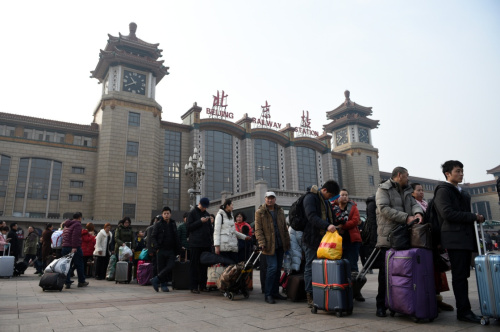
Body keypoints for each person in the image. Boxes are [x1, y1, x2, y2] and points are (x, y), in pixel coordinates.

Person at [434, 160, 485, 324]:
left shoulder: (461, 191)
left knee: (463, 275)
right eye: (457, 171)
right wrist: (472, 217)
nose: (461, 174)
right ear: (448, 174)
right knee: (459, 276)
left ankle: (466, 309)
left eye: (462, 171)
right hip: (454, 239)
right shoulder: (443, 191)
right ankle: (464, 311)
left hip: (465, 238)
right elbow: (447, 213)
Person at [375, 166, 424, 317]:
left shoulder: (408, 190)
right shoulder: (383, 189)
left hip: (406, 236)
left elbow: (414, 203)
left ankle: (402, 303)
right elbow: (383, 208)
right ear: (399, 175)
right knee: (385, 274)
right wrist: (406, 217)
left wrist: (417, 212)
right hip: (389, 237)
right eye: (407, 175)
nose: (408, 178)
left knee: (405, 273)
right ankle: (381, 305)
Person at [411, 182, 454, 312]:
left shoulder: (425, 204)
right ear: (411, 193)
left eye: (422, 190)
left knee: (436, 271)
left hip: (432, 242)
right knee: (425, 272)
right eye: (418, 190)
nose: (421, 192)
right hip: (421, 243)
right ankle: (429, 300)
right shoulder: (413, 206)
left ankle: (437, 299)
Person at [302, 180, 340, 308]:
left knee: (323, 267)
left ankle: (322, 292)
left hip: (323, 239)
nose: (330, 199)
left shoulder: (325, 201)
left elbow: (330, 217)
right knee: (310, 266)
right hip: (311, 238)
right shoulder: (310, 198)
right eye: (330, 196)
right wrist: (327, 225)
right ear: (324, 190)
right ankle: (310, 295)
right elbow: (311, 216)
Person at [255, 191, 291, 304]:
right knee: (272, 268)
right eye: (268, 198)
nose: (270, 200)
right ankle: (268, 294)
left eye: (272, 198)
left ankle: (275, 292)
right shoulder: (260, 212)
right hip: (268, 245)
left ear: (275, 199)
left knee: (277, 270)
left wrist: (287, 242)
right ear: (265, 199)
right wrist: (261, 242)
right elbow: (258, 229)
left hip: (280, 244)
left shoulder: (279, 211)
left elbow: (284, 228)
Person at [332, 189, 364, 301]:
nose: (344, 197)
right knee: (339, 267)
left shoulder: (353, 207)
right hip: (337, 241)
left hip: (352, 240)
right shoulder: (333, 207)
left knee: (353, 267)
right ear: (338, 197)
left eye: (346, 195)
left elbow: (355, 221)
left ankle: (356, 292)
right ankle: (342, 291)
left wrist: (343, 226)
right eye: (342, 195)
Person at [150, 206, 181, 292]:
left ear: (170, 214)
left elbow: (176, 237)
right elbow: (153, 237)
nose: (166, 215)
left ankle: (156, 279)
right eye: (165, 214)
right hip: (161, 250)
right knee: (161, 267)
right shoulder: (158, 224)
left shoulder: (173, 224)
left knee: (170, 265)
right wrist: (156, 247)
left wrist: (178, 249)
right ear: (162, 215)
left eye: (168, 213)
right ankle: (163, 285)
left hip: (171, 250)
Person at [214, 199, 250, 265]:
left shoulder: (231, 216)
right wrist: (216, 246)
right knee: (226, 268)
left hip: (233, 246)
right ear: (227, 205)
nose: (232, 207)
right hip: (224, 247)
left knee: (234, 266)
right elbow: (216, 231)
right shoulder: (220, 215)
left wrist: (244, 237)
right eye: (232, 205)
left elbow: (234, 231)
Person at [187, 197, 212, 294]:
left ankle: (202, 285)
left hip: (205, 243)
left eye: (206, 207)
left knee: (204, 265)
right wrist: (200, 221)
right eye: (203, 206)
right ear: (199, 204)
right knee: (194, 265)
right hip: (195, 244)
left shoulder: (207, 214)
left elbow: (210, 228)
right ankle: (193, 286)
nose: (204, 209)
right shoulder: (192, 213)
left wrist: (211, 240)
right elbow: (189, 227)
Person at [61, 212, 88, 289]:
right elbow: (75, 236)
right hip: (74, 247)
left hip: (65, 246)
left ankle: (67, 282)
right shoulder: (77, 224)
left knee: (66, 265)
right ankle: (81, 281)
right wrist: (74, 247)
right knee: (79, 264)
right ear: (80, 218)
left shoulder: (66, 225)